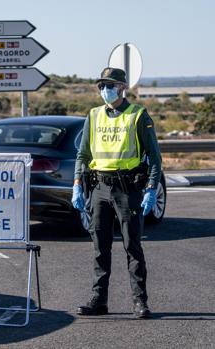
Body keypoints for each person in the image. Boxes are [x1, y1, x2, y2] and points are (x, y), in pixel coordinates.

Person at [72, 67, 162, 319]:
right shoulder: (94, 115)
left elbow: (154, 157)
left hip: (127, 189)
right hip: (99, 187)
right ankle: (99, 301)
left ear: (122, 87)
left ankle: (140, 302)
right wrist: (77, 184)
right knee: (100, 247)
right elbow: (83, 154)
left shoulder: (138, 115)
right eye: (101, 86)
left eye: (109, 86)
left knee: (132, 246)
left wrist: (151, 189)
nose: (104, 90)